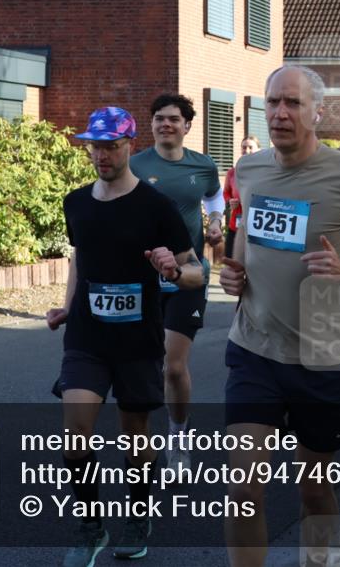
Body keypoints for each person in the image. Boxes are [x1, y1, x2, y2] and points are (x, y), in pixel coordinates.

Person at [219, 65, 340, 567]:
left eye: (293, 104)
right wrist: (234, 272)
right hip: (254, 348)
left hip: (324, 356)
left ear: (317, 112)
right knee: (241, 487)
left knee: (313, 490)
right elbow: (246, 234)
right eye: (272, 103)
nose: (280, 114)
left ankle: (318, 559)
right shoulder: (250, 169)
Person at [47, 107, 203, 566]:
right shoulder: (75, 202)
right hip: (87, 337)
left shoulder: (156, 207)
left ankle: (138, 514)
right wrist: (68, 305)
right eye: (94, 146)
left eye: (111, 145)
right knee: (75, 435)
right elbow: (81, 258)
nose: (101, 155)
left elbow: (194, 269)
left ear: (129, 144)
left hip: (137, 338)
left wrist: (174, 270)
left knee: (136, 438)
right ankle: (91, 527)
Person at [129, 93, 224, 473]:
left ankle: (178, 436)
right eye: (158, 119)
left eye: (173, 119)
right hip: (141, 277)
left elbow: (215, 199)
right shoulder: (134, 164)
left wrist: (215, 222)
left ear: (187, 125)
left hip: (188, 274)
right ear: (151, 124)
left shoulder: (203, 166)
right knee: (143, 362)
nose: (165, 124)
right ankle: (139, 438)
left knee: (172, 364)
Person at [224, 136, 261, 259]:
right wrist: (230, 201)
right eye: (244, 147)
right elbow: (226, 192)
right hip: (236, 225)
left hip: (256, 227)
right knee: (232, 262)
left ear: (259, 150)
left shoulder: (264, 174)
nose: (247, 150)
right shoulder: (232, 173)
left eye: (251, 147)